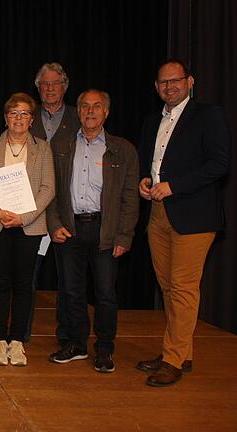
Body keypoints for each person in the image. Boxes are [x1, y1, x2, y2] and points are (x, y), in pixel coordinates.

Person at [136, 60, 231, 386]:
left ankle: (172, 359)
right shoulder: (152, 121)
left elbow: (219, 163)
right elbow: (152, 164)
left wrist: (175, 186)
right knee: (168, 288)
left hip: (194, 216)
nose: (169, 87)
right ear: (156, 87)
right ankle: (181, 352)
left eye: (175, 80)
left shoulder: (208, 115)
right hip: (159, 214)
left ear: (190, 81)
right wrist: (144, 182)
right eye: (163, 82)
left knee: (183, 288)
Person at [46, 89, 139, 373]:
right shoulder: (60, 144)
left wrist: (124, 236)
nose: (90, 111)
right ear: (78, 111)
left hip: (105, 230)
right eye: (85, 106)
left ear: (106, 112)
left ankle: (104, 348)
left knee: (105, 293)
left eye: (96, 107)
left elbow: (129, 197)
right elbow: (51, 190)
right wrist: (54, 224)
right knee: (71, 291)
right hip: (70, 228)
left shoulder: (123, 149)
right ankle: (76, 343)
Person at [0, 93, 55, 367]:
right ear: (5, 117)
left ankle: (17, 341)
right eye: (13, 113)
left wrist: (24, 217)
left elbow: (48, 189)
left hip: (28, 227)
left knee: (23, 285)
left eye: (24, 113)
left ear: (32, 119)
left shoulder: (42, 148)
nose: (18, 118)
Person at [29, 62, 80, 346]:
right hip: (32, 211)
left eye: (55, 83)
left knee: (69, 282)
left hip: (67, 210)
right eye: (44, 84)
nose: (49, 89)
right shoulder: (25, 117)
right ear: (37, 88)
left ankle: (68, 338)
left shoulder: (78, 118)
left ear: (65, 86)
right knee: (27, 280)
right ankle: (20, 336)